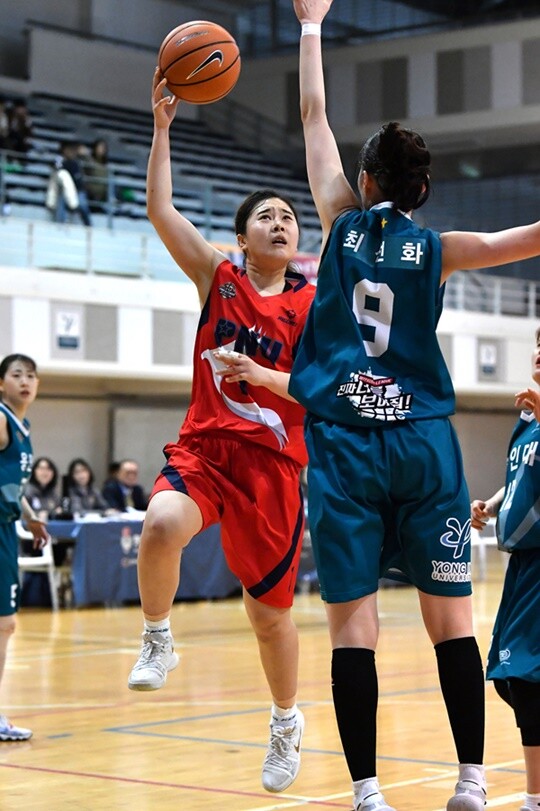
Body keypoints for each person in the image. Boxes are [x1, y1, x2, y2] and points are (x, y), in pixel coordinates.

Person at [289, 2, 540, 809]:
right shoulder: (439, 249)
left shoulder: (338, 223)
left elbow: (315, 117)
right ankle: (471, 780)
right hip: (423, 441)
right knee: (452, 621)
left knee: (352, 628)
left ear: (365, 182)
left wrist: (311, 25)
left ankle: (368, 792)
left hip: (345, 443)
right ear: (423, 190)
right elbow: (520, 240)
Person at [126, 67, 316, 794]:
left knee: (268, 618)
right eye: (266, 214)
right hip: (205, 450)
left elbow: (318, 391)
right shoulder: (218, 279)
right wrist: (163, 128)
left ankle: (286, 720)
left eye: (289, 216)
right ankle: (157, 637)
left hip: (273, 468)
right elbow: (161, 210)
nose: (280, 222)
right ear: (242, 237)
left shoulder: (313, 304)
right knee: (159, 525)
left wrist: (261, 376)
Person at [471, 327, 540, 811]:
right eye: (538, 342)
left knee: (528, 679)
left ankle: (533, 798)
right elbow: (519, 477)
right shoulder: (528, 417)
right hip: (523, 566)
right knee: (511, 678)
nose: (539, 351)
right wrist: (492, 504)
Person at [0, 353, 48, 741]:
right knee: (4, 624)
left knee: (5, 624)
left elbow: (12, 485)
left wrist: (29, 516)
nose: (25, 381)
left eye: (30, 375)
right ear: (2, 383)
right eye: (16, 375)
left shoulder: (21, 426)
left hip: (6, 527)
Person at [85, 138, 111, 206]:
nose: (102, 150)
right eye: (100, 147)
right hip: (90, 194)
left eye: (104, 148)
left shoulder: (106, 166)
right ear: (95, 148)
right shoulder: (88, 161)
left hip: (103, 196)